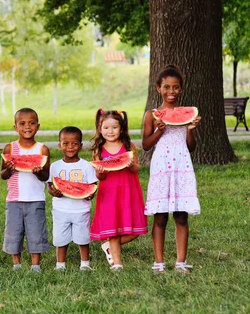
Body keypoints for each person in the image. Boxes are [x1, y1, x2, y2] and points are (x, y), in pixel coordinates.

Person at [142, 65, 201, 274]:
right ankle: (159, 262)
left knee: (181, 216)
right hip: (161, 168)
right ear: (158, 88)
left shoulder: (187, 115)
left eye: (176, 87)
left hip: (182, 166)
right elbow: (146, 145)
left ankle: (180, 262)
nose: (171, 91)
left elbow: (191, 147)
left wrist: (191, 130)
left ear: (181, 89)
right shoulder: (152, 115)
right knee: (159, 217)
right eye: (166, 87)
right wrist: (159, 130)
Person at [90, 110, 148, 270]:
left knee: (135, 230)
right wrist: (100, 173)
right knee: (113, 230)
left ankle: (107, 246)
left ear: (121, 128)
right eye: (106, 127)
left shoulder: (128, 146)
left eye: (114, 127)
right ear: (100, 129)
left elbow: (137, 169)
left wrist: (131, 165)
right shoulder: (99, 149)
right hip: (109, 193)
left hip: (129, 192)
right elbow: (100, 176)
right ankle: (117, 263)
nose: (110, 131)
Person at [0, 108, 51, 272]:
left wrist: (39, 171)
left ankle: (35, 265)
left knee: (36, 233)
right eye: (22, 123)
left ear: (38, 126)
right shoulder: (10, 148)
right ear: (15, 127)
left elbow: (45, 176)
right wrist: (8, 168)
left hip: (36, 199)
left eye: (32, 123)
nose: (27, 127)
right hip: (14, 200)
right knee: (13, 233)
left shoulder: (42, 150)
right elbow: (3, 175)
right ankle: (17, 264)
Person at [47, 126, 97, 271]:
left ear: (80, 146)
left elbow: (92, 186)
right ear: (59, 145)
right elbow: (50, 186)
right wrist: (53, 191)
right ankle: (60, 264)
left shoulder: (86, 166)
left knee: (83, 238)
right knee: (60, 238)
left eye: (75, 144)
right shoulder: (55, 166)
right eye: (65, 143)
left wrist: (90, 194)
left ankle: (85, 263)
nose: (70, 147)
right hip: (60, 209)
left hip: (81, 209)